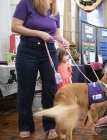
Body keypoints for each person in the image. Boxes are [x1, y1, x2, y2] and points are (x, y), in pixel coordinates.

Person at [11, 0, 69, 139]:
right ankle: (25, 126)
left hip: (48, 50)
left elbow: (56, 34)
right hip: (27, 50)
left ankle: (50, 126)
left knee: (50, 90)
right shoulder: (25, 3)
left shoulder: (55, 10)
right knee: (26, 90)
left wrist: (62, 40)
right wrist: (38, 33)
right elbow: (15, 27)